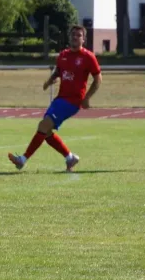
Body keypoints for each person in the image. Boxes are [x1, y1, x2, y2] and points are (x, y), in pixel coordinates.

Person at [8, 25, 102, 172]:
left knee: (43, 126)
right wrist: (49, 81)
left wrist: (87, 97)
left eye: (78, 35)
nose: (75, 37)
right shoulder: (63, 55)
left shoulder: (88, 57)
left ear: (83, 39)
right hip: (59, 99)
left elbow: (98, 79)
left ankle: (23, 159)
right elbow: (58, 72)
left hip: (72, 101)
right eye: (73, 35)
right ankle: (70, 157)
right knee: (46, 131)